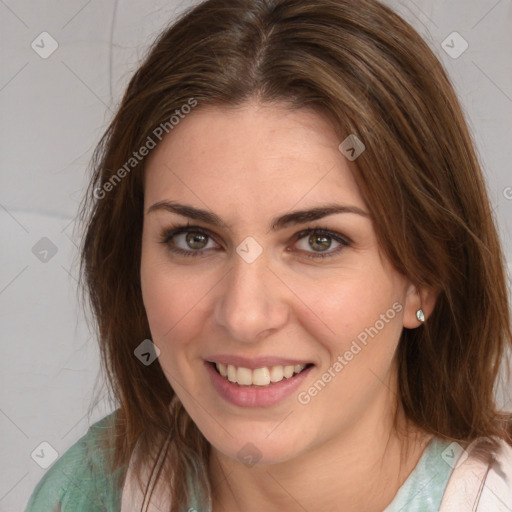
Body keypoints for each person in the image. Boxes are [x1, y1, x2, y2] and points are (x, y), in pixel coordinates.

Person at [25, 0, 512, 511]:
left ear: (424, 276)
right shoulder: (89, 490)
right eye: (194, 238)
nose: (244, 316)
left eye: (318, 241)